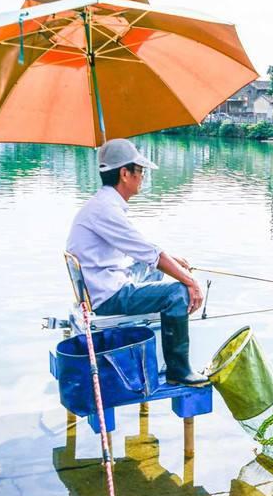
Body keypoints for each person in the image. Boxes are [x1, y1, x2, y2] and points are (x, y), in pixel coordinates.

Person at [66, 138, 208, 387]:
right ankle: (178, 370)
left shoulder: (103, 204)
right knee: (177, 293)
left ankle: (164, 326)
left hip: (101, 283)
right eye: (140, 171)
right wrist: (191, 283)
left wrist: (170, 260)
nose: (142, 177)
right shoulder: (105, 210)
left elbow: (143, 252)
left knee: (153, 268)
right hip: (108, 295)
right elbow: (151, 253)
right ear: (125, 173)